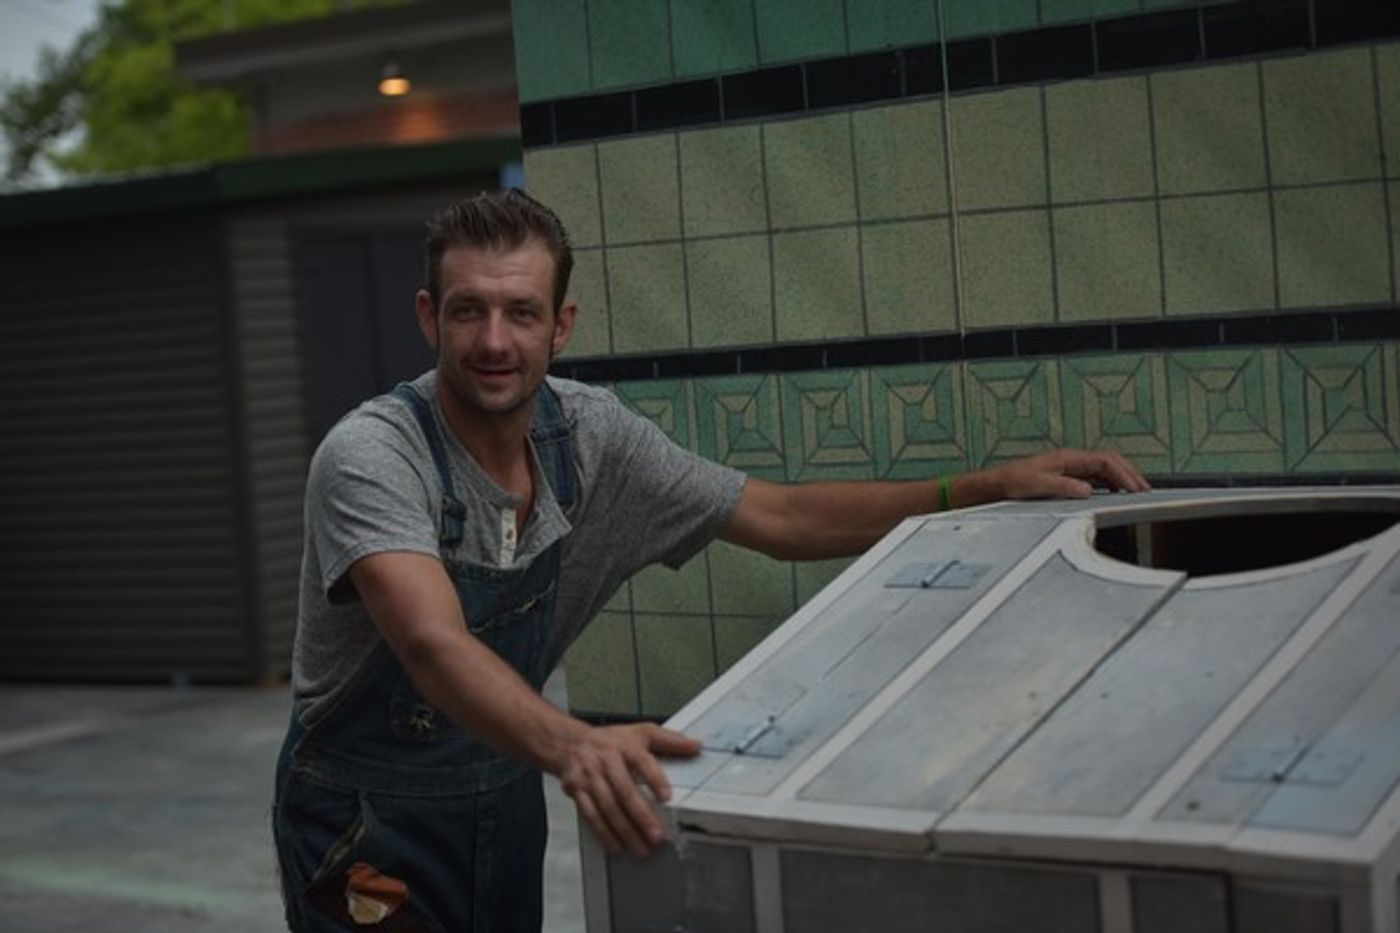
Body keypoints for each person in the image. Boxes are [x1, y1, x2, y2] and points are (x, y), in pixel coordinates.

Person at [272, 188, 1150, 932]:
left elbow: (778, 514)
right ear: (430, 316)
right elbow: (433, 644)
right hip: (366, 817)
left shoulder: (592, 437)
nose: (494, 340)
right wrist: (577, 746)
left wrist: (984, 488)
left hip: (503, 791)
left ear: (561, 325)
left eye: (521, 312)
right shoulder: (374, 455)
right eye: (469, 310)